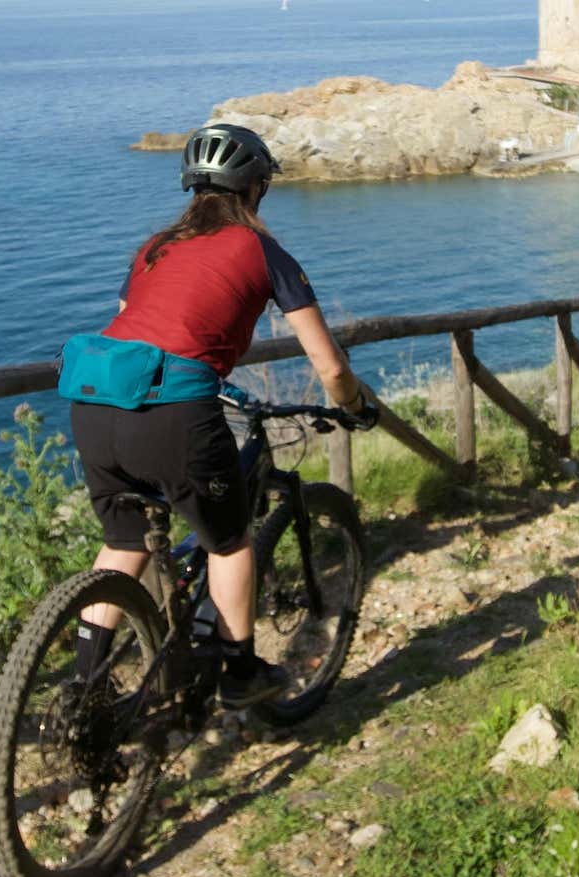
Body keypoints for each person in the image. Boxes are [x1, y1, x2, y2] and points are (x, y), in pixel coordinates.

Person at [59, 122, 375, 708]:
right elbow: (330, 367)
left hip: (94, 405)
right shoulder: (263, 250)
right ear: (255, 188)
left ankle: (83, 688)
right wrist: (357, 406)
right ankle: (240, 672)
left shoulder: (155, 247)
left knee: (122, 542)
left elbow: (140, 326)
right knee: (229, 541)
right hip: (175, 412)